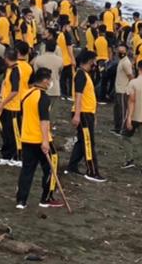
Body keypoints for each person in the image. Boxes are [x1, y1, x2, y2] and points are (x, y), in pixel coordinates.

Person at [15, 67, 60, 210]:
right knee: (52, 167)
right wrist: (46, 141)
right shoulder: (43, 97)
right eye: (50, 80)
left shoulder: (26, 94)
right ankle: (46, 198)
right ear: (45, 80)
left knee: (27, 170)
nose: (50, 83)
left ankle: (21, 200)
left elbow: (21, 114)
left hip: (26, 138)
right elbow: (44, 120)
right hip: (40, 138)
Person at [64, 50, 105, 182]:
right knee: (88, 142)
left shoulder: (84, 74)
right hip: (83, 113)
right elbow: (79, 95)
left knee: (82, 141)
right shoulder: (81, 74)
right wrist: (77, 114)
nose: (95, 63)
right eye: (94, 60)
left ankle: (72, 165)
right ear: (89, 61)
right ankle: (92, 171)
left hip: (87, 112)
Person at [113, 44, 135, 134]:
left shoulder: (126, 62)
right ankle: (117, 128)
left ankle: (122, 129)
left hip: (123, 90)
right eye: (119, 50)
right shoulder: (121, 61)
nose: (120, 52)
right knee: (117, 110)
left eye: (122, 51)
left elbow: (130, 76)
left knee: (122, 111)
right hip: (118, 89)